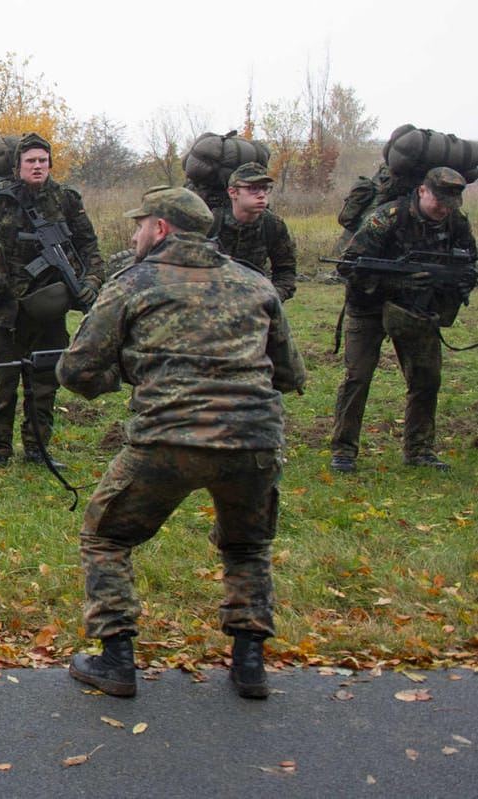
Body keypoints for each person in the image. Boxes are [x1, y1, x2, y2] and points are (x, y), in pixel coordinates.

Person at [58, 186, 306, 700]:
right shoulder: (254, 282)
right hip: (254, 440)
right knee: (247, 545)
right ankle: (250, 662)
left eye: (140, 224)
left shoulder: (134, 282)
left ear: (161, 229)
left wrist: (126, 375)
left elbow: (77, 368)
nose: (134, 233)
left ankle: (116, 658)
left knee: (106, 536)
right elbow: (289, 373)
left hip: (169, 439)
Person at [0, 132, 105, 470]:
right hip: (5, 306)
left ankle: (37, 448)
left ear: (50, 164)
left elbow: (91, 247)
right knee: (4, 380)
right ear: (19, 165)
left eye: (43, 161)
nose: (37, 166)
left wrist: (91, 281)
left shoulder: (65, 199)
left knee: (46, 380)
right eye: (31, 161)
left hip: (49, 306)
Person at [328, 166, 477, 473]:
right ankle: (343, 451)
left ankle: (419, 449)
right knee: (357, 377)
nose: (444, 209)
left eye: (451, 203)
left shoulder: (457, 223)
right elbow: (348, 267)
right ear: (422, 191)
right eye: (438, 200)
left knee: (426, 378)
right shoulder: (388, 217)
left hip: (416, 311)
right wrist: (396, 283)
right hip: (368, 306)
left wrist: (463, 282)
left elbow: (470, 262)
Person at [208, 162, 297, 301]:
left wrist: (270, 298)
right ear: (233, 192)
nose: (261, 195)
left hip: (255, 303)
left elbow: (285, 272)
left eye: (264, 188)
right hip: (213, 302)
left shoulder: (273, 225)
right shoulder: (211, 223)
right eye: (253, 188)